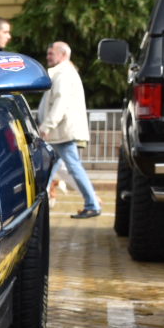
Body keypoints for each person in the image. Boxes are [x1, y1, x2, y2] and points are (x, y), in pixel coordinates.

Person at [40, 41, 101, 218]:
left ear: (63, 55)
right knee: (52, 167)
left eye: (52, 53)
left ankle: (92, 204)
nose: (48, 56)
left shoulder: (63, 74)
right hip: (61, 131)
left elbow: (60, 103)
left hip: (62, 132)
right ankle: (42, 202)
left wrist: (46, 126)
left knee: (72, 167)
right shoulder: (63, 72)